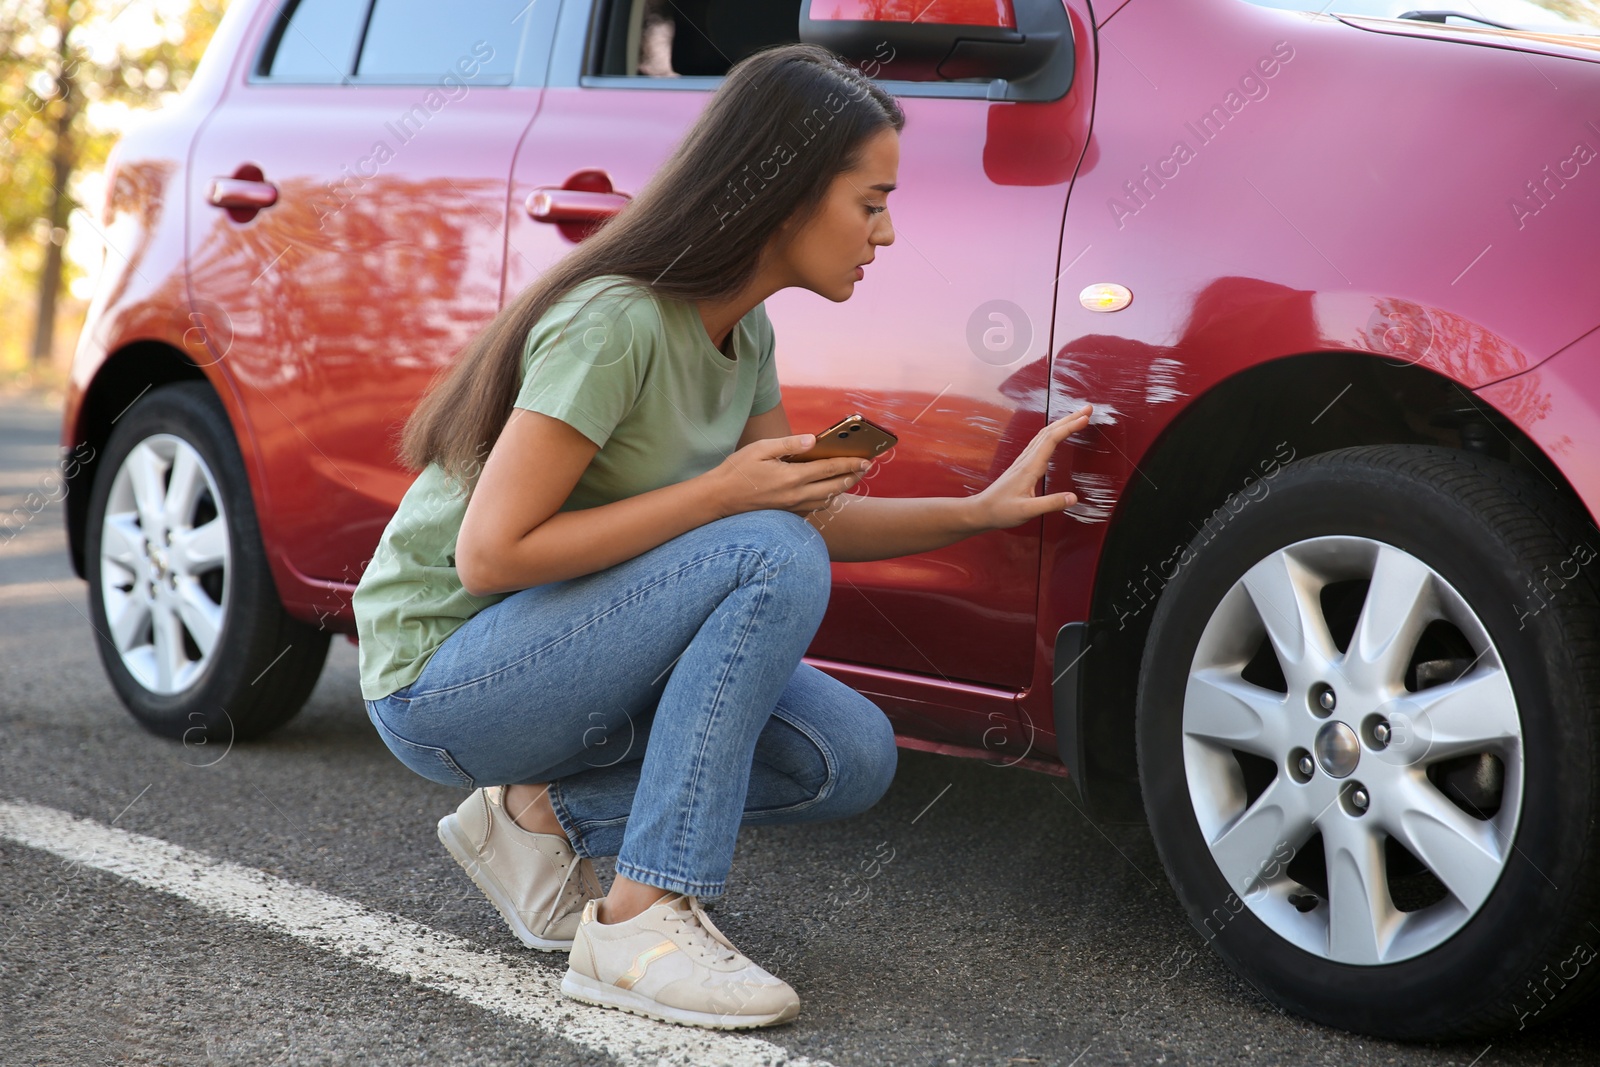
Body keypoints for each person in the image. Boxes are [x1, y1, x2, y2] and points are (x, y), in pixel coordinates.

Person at [352, 41, 1093, 1031]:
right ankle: (640, 916)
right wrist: (720, 496)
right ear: (784, 197)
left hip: (559, 663)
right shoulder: (615, 323)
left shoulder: (745, 337)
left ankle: (535, 816)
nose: (886, 231)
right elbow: (491, 555)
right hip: (443, 677)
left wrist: (978, 510)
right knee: (764, 543)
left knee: (849, 753)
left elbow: (792, 520)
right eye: (869, 202)